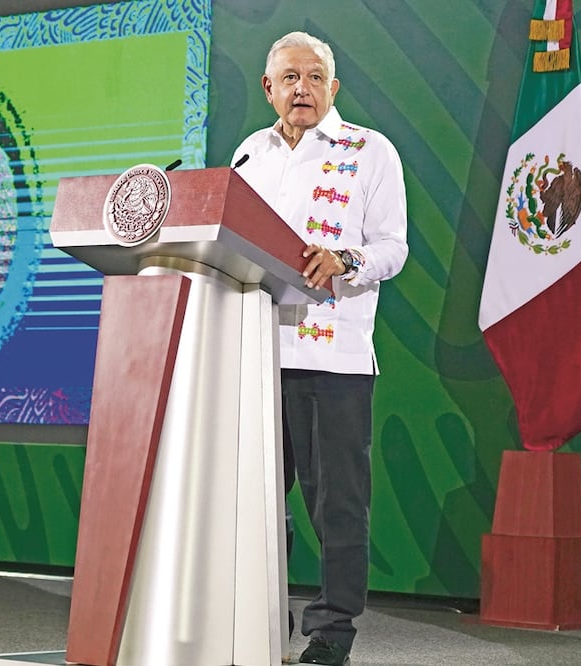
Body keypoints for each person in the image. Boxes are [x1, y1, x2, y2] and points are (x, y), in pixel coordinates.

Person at [231, 30, 408, 666]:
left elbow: (394, 245)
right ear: (269, 88)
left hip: (333, 359)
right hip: (253, 359)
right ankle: (254, 626)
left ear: (333, 87)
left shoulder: (370, 151)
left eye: (314, 76)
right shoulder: (249, 155)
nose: (301, 87)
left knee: (337, 506)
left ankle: (332, 635)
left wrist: (345, 259)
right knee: (247, 501)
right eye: (289, 77)